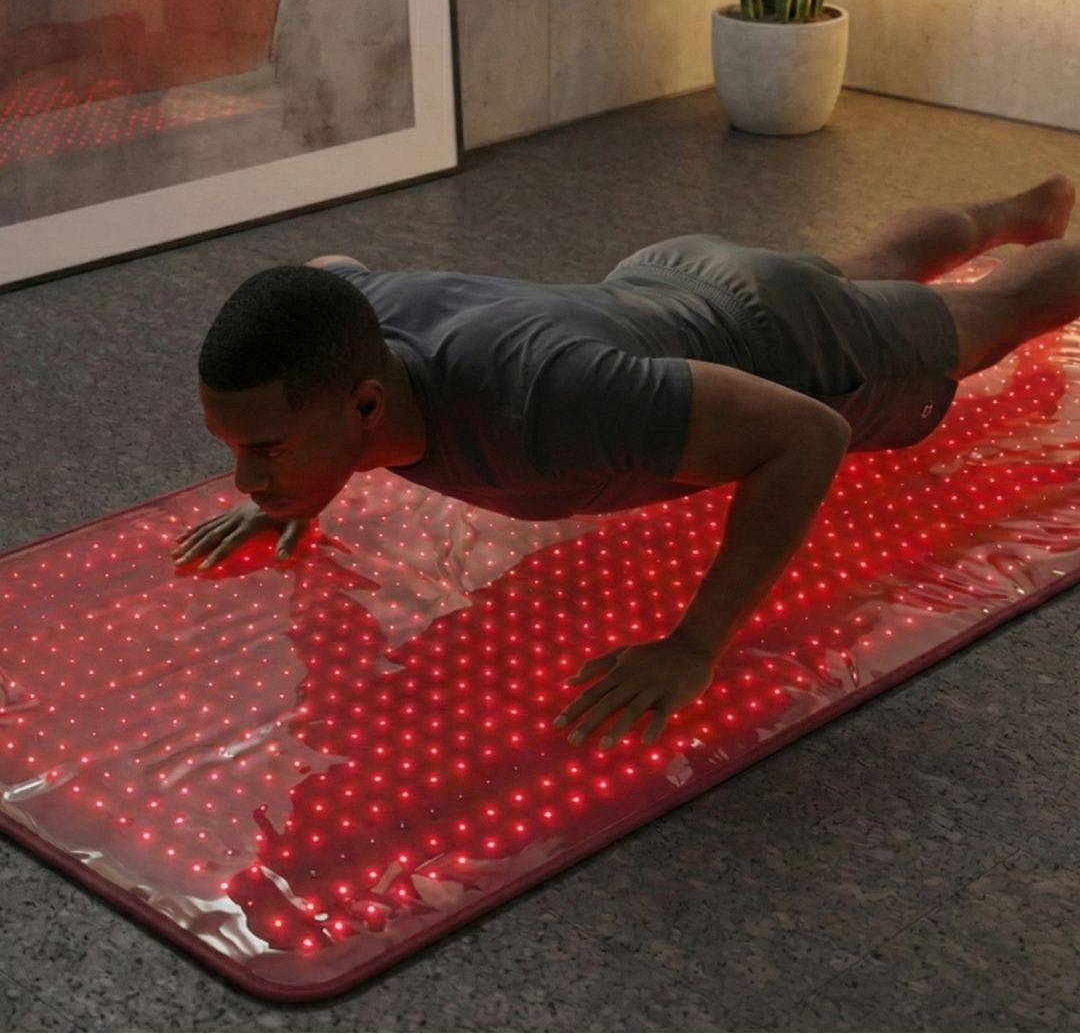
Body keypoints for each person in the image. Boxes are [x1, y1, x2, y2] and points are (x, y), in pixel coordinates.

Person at [175, 174, 1080, 749]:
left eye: (266, 451)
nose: (247, 477)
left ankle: (1035, 235)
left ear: (367, 404)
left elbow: (808, 436)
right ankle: (1019, 210)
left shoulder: (547, 399)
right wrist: (291, 485)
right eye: (238, 450)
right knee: (852, 279)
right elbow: (331, 267)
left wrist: (695, 646)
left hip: (766, 339)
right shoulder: (348, 326)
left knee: (978, 326)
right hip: (665, 283)